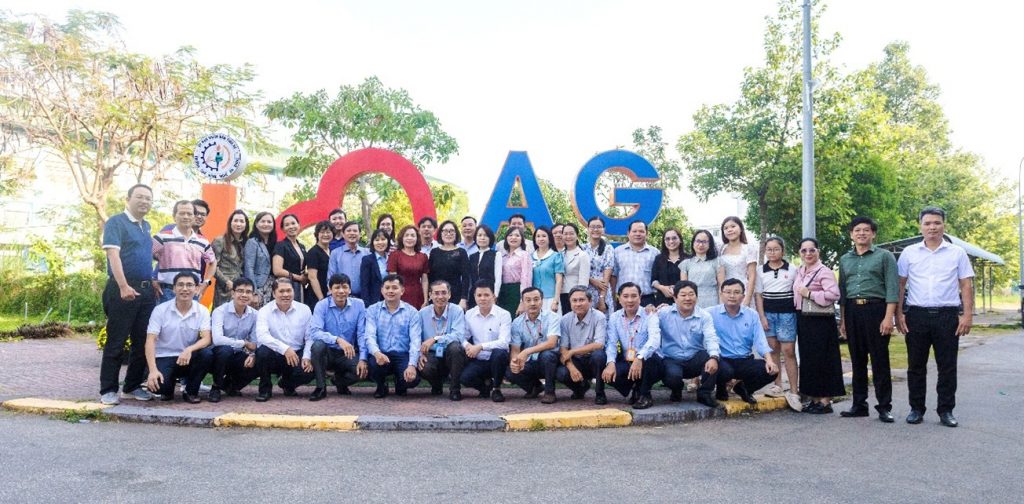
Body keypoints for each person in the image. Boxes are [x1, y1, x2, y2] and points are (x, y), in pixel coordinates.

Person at [896, 207, 974, 428]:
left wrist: (967, 315)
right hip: (916, 315)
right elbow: (900, 284)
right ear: (920, 226)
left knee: (947, 366)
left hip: (947, 316)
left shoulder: (957, 253)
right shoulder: (909, 253)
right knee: (915, 365)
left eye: (937, 223)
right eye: (928, 223)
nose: (932, 227)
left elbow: (966, 284)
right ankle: (916, 409)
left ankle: (946, 410)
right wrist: (899, 313)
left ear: (944, 225)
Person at [99, 183, 157, 405]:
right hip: (122, 288)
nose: (144, 202)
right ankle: (108, 390)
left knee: (142, 341)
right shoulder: (116, 222)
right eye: (140, 197)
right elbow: (113, 255)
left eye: (148, 199)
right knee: (116, 340)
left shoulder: (146, 226)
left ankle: (132, 386)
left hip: (145, 291)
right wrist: (123, 286)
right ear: (128, 199)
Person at [838, 217, 899, 422]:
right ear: (851, 234)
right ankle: (859, 405)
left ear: (873, 234)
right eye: (857, 230)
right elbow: (843, 291)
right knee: (857, 361)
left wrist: (888, 318)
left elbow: (892, 289)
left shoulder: (884, 257)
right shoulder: (845, 259)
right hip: (853, 311)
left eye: (866, 230)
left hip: (877, 310)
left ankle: (884, 407)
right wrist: (843, 320)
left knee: (880, 360)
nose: (861, 233)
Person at [793, 238, 846, 414]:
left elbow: (834, 294)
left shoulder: (824, 271)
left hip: (820, 320)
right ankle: (814, 399)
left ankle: (825, 401)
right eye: (804, 250)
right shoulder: (800, 271)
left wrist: (810, 294)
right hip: (804, 318)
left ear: (818, 252)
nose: (808, 254)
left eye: (812, 250)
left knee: (823, 359)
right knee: (809, 360)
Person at [144, 272, 213, 403]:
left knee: (207, 354)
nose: (185, 289)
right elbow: (150, 340)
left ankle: (190, 391)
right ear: (174, 288)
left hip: (187, 357)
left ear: (196, 288)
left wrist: (189, 350)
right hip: (164, 356)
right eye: (180, 285)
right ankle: (168, 387)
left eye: (189, 285)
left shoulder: (202, 311)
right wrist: (152, 370)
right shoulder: (160, 310)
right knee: (158, 388)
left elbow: (206, 339)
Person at [711, 279, 779, 404]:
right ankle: (721, 387)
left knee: (771, 371)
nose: (732, 296)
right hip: (723, 360)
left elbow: (760, 340)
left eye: (736, 292)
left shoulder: (752, 315)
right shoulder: (710, 313)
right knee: (724, 370)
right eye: (728, 292)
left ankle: (744, 388)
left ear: (743, 296)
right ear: (721, 294)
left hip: (744, 360)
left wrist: (769, 360)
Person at [655, 280, 721, 408]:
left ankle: (704, 394)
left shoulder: (704, 316)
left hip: (694, 357)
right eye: (683, 295)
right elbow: (649, 323)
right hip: (672, 358)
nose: (688, 298)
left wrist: (714, 357)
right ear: (675, 298)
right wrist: (650, 308)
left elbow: (711, 337)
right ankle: (677, 389)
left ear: (696, 297)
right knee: (672, 378)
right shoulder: (663, 313)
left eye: (691, 294)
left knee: (714, 356)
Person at [307, 273, 368, 401]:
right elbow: (315, 332)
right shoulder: (322, 305)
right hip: (327, 351)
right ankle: (320, 387)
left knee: (362, 371)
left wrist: (363, 358)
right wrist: (337, 340)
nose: (341, 291)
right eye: (337, 287)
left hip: (347, 353)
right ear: (330, 290)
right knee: (317, 346)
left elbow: (362, 333)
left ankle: (339, 381)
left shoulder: (359, 305)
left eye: (344, 287)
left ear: (350, 290)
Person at [603, 282, 663, 409]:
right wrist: (610, 362)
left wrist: (640, 357)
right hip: (627, 359)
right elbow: (612, 343)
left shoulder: (649, 314)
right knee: (608, 372)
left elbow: (654, 340)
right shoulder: (615, 317)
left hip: (648, 359)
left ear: (640, 297)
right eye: (625, 296)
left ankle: (645, 395)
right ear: (619, 298)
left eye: (634, 296)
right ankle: (636, 387)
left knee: (651, 362)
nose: (630, 300)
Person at [253, 277, 314, 402]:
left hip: (296, 354)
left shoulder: (304, 310)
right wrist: (285, 349)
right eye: (281, 291)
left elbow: (310, 337)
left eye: (289, 290)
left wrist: (307, 356)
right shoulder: (264, 311)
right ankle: (265, 389)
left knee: (310, 370)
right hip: (275, 354)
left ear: (293, 291)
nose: (285, 294)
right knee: (262, 352)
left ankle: (287, 384)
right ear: (274, 294)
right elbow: (262, 336)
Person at [754, 236, 799, 404]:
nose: (772, 252)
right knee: (773, 350)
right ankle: (777, 384)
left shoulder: (792, 269)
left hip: (787, 315)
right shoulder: (760, 270)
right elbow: (758, 295)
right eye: (769, 249)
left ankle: (794, 389)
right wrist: (762, 316)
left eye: (776, 249)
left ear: (783, 251)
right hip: (769, 314)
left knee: (788, 351)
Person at [365, 274, 422, 398]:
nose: (390, 291)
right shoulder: (372, 310)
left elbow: (415, 340)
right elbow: (369, 336)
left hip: (402, 355)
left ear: (402, 290)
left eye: (395, 288)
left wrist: (412, 365)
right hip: (381, 353)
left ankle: (400, 383)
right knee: (373, 366)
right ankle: (381, 385)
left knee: (413, 379)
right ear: (382, 290)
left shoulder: (412, 312)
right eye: (387, 288)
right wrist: (376, 353)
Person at [152, 200, 217, 303]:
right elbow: (146, 256)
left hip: (192, 293)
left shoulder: (202, 241)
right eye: (182, 213)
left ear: (194, 217)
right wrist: (152, 278)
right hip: (167, 292)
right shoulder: (163, 237)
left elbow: (213, 262)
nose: (186, 217)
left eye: (189, 214)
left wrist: (206, 283)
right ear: (174, 216)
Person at [209, 277, 259, 402]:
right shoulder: (220, 311)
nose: (244, 295)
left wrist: (253, 355)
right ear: (232, 293)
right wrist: (244, 343)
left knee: (259, 360)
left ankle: (230, 385)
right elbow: (217, 340)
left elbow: (254, 343)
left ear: (253, 295)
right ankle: (216, 387)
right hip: (216, 355)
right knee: (225, 350)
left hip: (237, 354)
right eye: (240, 291)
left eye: (248, 292)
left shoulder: (255, 315)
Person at [461, 280, 512, 402]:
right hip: (479, 359)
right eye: (479, 295)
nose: (482, 298)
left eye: (486, 295)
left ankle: (497, 389)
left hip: (497, 359)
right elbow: (461, 337)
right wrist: (467, 345)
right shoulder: (469, 314)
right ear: (474, 296)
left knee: (499, 353)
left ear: (493, 296)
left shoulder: (504, 314)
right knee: (464, 378)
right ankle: (485, 388)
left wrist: (480, 346)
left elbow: (504, 342)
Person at [508, 287, 561, 404]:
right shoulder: (517, 323)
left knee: (547, 355)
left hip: (550, 361)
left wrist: (526, 351)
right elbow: (515, 349)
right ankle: (535, 387)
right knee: (510, 371)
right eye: (528, 300)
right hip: (530, 361)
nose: (532, 303)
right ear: (523, 303)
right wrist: (514, 361)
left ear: (542, 301)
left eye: (536, 299)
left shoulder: (553, 317)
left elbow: (552, 342)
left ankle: (549, 392)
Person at [417, 280, 468, 401]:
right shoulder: (422, 313)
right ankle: (436, 384)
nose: (440, 297)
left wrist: (435, 339)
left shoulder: (457, 311)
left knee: (455, 348)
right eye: (436, 293)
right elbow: (416, 337)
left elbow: (458, 335)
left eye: (444, 293)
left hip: (450, 354)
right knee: (424, 367)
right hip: (431, 354)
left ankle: (455, 389)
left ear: (449, 295)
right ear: (430, 295)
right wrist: (419, 354)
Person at [557, 287, 608, 405]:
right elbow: (563, 348)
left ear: (590, 301)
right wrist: (571, 367)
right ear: (570, 303)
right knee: (561, 373)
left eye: (581, 300)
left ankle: (600, 393)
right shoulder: (565, 319)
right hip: (576, 360)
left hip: (593, 359)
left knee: (599, 356)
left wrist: (572, 351)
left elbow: (599, 344)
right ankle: (580, 389)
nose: (578, 304)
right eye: (574, 301)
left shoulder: (599, 317)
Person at [611, 220, 658, 308]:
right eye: (634, 231)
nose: (638, 234)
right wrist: (613, 297)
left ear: (647, 234)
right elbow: (614, 276)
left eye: (641, 231)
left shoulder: (655, 253)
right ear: (628, 233)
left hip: (647, 300)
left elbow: (658, 277)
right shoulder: (618, 251)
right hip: (624, 299)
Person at [428, 220, 471, 308]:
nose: (448, 233)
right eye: (445, 231)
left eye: (451, 231)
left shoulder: (461, 252)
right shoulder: (434, 252)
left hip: (456, 296)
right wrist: (430, 295)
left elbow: (466, 278)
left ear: (456, 234)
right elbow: (430, 276)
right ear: (440, 233)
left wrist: (464, 299)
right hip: (437, 295)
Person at [212, 209, 249, 307]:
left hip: (241, 288)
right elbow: (213, 266)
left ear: (246, 225)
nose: (238, 224)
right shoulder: (220, 241)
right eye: (235, 220)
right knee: (221, 314)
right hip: (224, 289)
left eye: (242, 221)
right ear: (230, 223)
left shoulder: (246, 243)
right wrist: (226, 282)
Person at [680, 230, 725, 309]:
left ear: (710, 244)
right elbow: (684, 287)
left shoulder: (718, 261)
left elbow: (721, 285)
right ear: (693, 243)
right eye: (698, 241)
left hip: (712, 302)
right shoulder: (686, 263)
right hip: (692, 302)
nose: (701, 245)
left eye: (704, 242)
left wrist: (721, 306)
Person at [718, 216, 757, 307]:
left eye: (733, 226)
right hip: (726, 291)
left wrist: (747, 298)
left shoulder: (748, 248)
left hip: (743, 291)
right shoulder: (721, 249)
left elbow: (752, 276)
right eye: (726, 228)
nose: (729, 230)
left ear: (741, 229)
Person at [387, 225, 430, 308]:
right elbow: (392, 279)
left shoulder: (423, 257)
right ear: (402, 238)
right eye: (406, 235)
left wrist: (425, 299)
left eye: (413, 235)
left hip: (418, 295)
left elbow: (424, 280)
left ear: (417, 238)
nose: (409, 238)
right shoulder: (394, 255)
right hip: (400, 294)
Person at [327, 221, 368, 300]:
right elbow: (331, 277)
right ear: (343, 234)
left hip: (364, 297)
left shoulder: (367, 253)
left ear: (360, 234)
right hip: (342, 297)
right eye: (348, 231)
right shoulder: (335, 253)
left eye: (355, 231)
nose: (352, 233)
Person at [272, 213, 307, 304]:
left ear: (298, 225)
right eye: (287, 225)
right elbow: (277, 270)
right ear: (283, 229)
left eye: (293, 223)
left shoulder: (302, 246)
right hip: (286, 286)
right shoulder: (281, 245)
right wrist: (299, 278)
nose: (291, 227)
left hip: (301, 287)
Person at [244, 212, 276, 307]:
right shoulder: (252, 242)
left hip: (273, 285)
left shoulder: (275, 243)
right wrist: (253, 292)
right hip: (259, 285)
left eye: (269, 222)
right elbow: (249, 267)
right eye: (263, 221)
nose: (266, 224)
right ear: (256, 224)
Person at [497, 227, 532, 315]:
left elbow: (526, 279)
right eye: (510, 235)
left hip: (516, 292)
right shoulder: (502, 256)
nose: (513, 237)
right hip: (503, 292)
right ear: (506, 238)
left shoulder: (524, 255)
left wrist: (523, 301)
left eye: (517, 235)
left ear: (522, 239)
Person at [583, 216, 614, 313]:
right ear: (588, 229)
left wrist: (602, 298)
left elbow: (606, 277)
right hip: (585, 292)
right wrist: (592, 280)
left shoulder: (608, 249)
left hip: (602, 292)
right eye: (592, 227)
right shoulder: (582, 248)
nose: (595, 229)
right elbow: (578, 272)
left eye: (599, 227)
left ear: (603, 229)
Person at [466, 224, 502, 310]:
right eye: (479, 235)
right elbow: (469, 279)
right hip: (474, 294)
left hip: (489, 294)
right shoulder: (472, 256)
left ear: (490, 238)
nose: (482, 238)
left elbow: (498, 277)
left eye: (485, 235)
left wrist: (495, 295)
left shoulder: (496, 254)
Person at [531, 226, 565, 314]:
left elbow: (559, 280)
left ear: (549, 238)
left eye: (544, 236)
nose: (541, 239)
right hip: (534, 299)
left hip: (550, 298)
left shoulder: (556, 256)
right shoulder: (530, 257)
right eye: (538, 236)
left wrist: (555, 301)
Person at [651, 228, 687, 308]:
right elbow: (653, 280)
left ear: (680, 240)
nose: (671, 241)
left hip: (684, 301)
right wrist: (662, 288)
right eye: (667, 239)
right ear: (664, 241)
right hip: (662, 301)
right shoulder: (659, 259)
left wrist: (677, 289)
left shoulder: (688, 259)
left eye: (674, 238)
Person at [559, 223, 590, 314]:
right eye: (565, 234)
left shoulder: (582, 255)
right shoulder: (559, 254)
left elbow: (583, 281)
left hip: (574, 296)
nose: (568, 236)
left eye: (571, 233)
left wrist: (578, 298)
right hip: (559, 294)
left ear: (577, 236)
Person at [304, 220, 335, 310]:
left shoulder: (332, 251)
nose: (325, 235)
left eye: (328, 232)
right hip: (316, 295)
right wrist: (321, 299)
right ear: (317, 234)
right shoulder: (313, 252)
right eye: (322, 232)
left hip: (330, 293)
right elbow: (312, 277)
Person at [360, 229, 391, 307]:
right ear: (372, 243)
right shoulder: (367, 260)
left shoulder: (392, 258)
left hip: (391, 299)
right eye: (377, 240)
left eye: (383, 239)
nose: (380, 242)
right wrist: (366, 304)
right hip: (374, 301)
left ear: (388, 241)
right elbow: (364, 285)